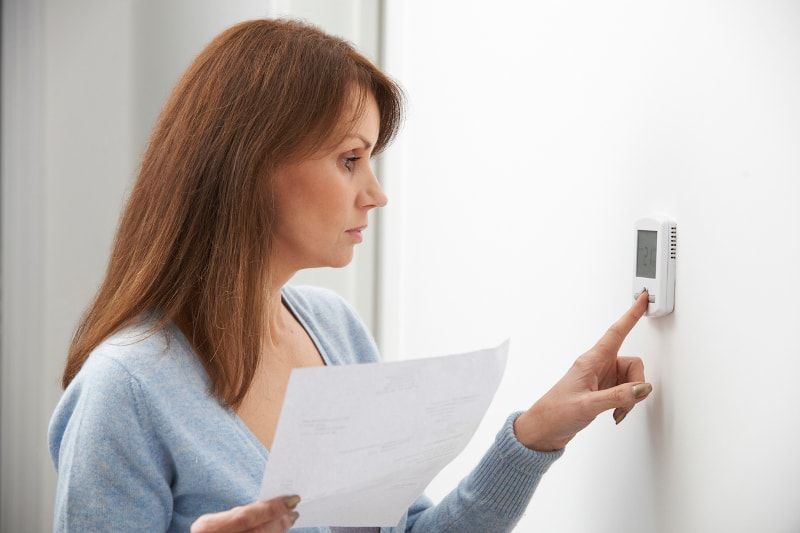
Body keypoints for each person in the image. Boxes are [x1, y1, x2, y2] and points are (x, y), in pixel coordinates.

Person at [47, 18, 653, 533]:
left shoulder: (336, 331)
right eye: (349, 159)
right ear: (252, 163)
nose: (376, 194)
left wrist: (535, 435)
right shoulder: (123, 390)